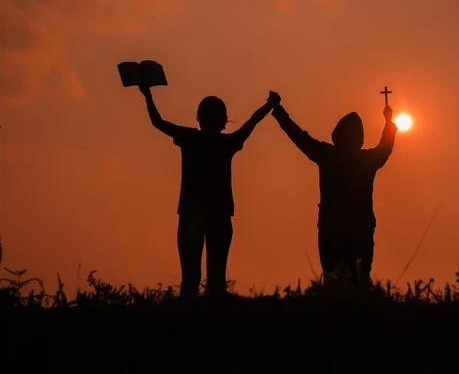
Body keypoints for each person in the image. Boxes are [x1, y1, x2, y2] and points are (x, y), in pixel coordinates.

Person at [138, 86, 276, 301]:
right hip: (219, 215)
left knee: (190, 279)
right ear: (223, 120)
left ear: (199, 118)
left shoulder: (190, 138)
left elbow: (158, 122)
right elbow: (252, 122)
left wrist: (147, 94)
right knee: (217, 280)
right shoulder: (227, 143)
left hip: (191, 214)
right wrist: (269, 105)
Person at [269, 92, 398, 288]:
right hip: (359, 227)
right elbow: (386, 146)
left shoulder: (327, 155)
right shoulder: (367, 160)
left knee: (332, 280)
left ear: (337, 135)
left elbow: (299, 136)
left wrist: (279, 112)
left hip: (332, 227)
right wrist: (388, 123)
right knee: (360, 281)